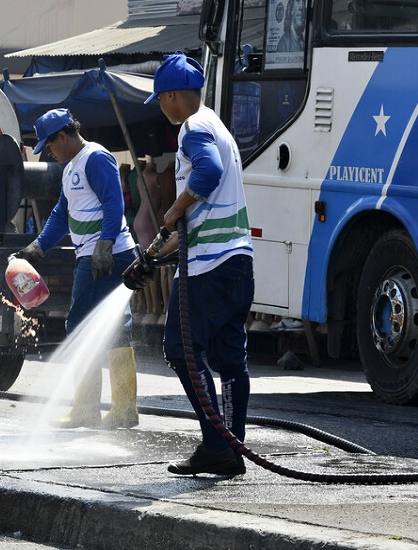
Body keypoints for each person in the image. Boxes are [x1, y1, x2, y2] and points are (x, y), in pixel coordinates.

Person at [143, 52, 254, 475]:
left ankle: (215, 445)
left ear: (172, 95)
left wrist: (174, 208)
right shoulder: (219, 127)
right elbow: (206, 218)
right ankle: (232, 450)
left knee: (180, 349)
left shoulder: (192, 128)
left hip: (209, 268)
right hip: (237, 261)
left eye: (160, 100)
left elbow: (206, 175)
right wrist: (153, 255)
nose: (160, 108)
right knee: (230, 360)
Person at [16, 108, 139, 429]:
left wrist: (105, 245)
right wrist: (39, 246)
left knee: (82, 326)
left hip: (107, 255)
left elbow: (114, 202)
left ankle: (95, 409)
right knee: (107, 327)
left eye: (51, 145)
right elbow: (61, 213)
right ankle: (118, 410)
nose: (50, 153)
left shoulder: (96, 158)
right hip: (97, 254)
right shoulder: (72, 165)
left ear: (63, 136)